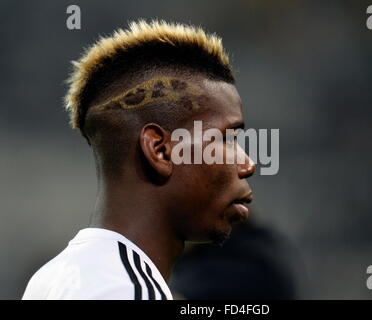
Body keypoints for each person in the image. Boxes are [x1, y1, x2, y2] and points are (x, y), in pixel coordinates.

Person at [22, 19, 256, 300]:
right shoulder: (126, 290)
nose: (248, 164)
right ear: (159, 150)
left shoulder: (52, 277)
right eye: (226, 139)